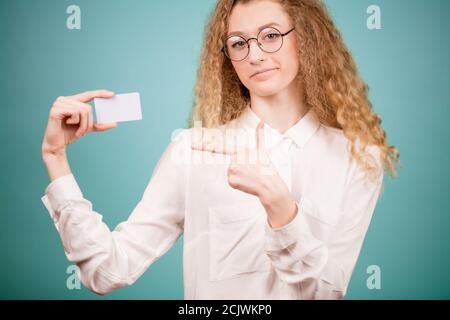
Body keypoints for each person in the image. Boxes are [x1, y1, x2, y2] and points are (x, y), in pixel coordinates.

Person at [41, 0, 400, 299]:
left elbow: (324, 293)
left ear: (306, 38)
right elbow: (107, 271)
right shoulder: (193, 151)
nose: (255, 54)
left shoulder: (358, 158)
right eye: (239, 43)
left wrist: (281, 208)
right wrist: (56, 160)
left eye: (271, 36)